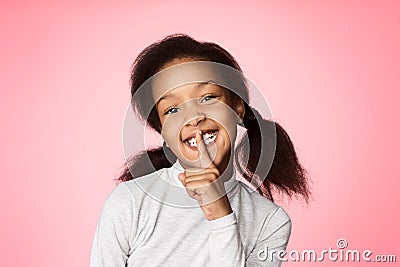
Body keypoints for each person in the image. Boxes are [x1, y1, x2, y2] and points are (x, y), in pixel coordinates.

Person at [90, 33, 310, 267]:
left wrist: (219, 212)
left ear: (237, 107)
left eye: (207, 97)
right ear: (163, 130)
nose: (194, 117)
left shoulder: (270, 222)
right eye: (172, 109)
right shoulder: (129, 201)